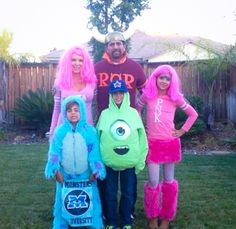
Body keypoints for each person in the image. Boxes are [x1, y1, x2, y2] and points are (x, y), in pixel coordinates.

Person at [136, 65, 198, 229]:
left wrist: (182, 130)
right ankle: (152, 216)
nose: (164, 81)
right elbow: (137, 109)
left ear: (172, 82)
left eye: (167, 79)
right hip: (152, 144)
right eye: (161, 77)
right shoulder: (147, 95)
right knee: (153, 180)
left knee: (169, 181)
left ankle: (166, 216)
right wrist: (141, 127)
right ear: (155, 78)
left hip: (170, 144)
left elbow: (193, 114)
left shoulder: (175, 97)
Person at [94, 31, 148, 220]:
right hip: (105, 124)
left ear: (124, 46)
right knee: (104, 175)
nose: (116, 47)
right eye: (112, 44)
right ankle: (107, 214)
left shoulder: (135, 67)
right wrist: (59, 89)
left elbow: (148, 91)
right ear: (106, 47)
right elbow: (83, 88)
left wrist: (137, 110)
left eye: (119, 43)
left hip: (128, 128)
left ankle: (128, 212)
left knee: (129, 177)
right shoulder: (97, 68)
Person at [45, 95, 106, 229]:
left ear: (82, 112)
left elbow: (94, 153)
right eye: (69, 110)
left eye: (76, 110)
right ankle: (61, 224)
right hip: (65, 177)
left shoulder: (90, 131)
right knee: (62, 200)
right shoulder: (59, 131)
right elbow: (54, 153)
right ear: (64, 113)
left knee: (92, 200)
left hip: (86, 176)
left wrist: (96, 170)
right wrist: (55, 170)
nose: (73, 113)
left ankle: (95, 223)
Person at [96, 80, 148, 229]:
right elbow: (98, 138)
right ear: (110, 95)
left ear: (125, 94)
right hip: (110, 163)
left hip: (129, 162)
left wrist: (140, 161)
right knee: (110, 193)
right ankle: (111, 220)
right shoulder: (105, 114)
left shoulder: (133, 114)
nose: (117, 96)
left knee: (128, 192)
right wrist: (99, 162)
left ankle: (126, 220)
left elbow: (142, 138)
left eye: (120, 93)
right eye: (114, 93)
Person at [49, 46, 97, 139]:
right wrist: (52, 133)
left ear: (85, 63)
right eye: (73, 60)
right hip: (64, 130)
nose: (77, 63)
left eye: (80, 60)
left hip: (86, 129)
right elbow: (57, 108)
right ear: (67, 62)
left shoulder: (92, 82)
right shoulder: (59, 82)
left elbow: (95, 106)